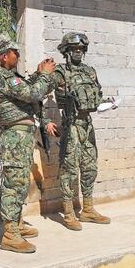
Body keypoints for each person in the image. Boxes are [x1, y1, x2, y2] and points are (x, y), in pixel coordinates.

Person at [0, 33, 55, 253]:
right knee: (15, 184)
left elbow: (22, 91)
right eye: (15, 53)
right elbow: (32, 93)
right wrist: (45, 76)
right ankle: (11, 235)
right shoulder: (3, 77)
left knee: (19, 180)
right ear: (4, 56)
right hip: (16, 136)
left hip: (17, 135)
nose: (18, 56)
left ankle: (17, 224)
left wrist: (37, 74)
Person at [44, 31, 112, 231]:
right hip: (71, 125)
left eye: (81, 49)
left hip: (87, 125)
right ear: (66, 51)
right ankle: (68, 213)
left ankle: (88, 209)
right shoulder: (60, 73)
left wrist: (107, 103)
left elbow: (97, 95)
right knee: (69, 170)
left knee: (90, 167)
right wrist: (46, 121)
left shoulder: (90, 71)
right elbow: (37, 94)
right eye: (74, 49)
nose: (78, 52)